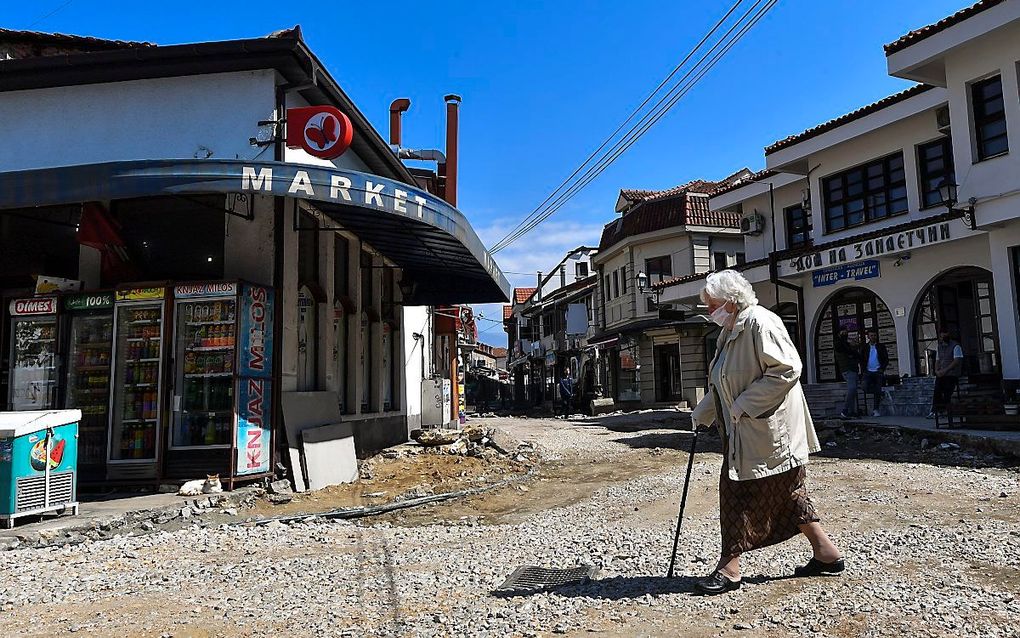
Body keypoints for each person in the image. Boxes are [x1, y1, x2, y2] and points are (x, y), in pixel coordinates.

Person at [690, 270, 843, 596]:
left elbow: (787, 369)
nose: (709, 311)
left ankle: (729, 568)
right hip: (748, 432)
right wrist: (702, 413)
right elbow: (723, 382)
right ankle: (826, 554)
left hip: (769, 433)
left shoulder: (760, 323)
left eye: (712, 304)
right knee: (789, 495)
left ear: (731, 302)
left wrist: (744, 404)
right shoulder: (730, 330)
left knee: (736, 494)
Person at [927, 330, 963, 419]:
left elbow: (956, 361)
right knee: (937, 390)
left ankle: (945, 410)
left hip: (952, 374)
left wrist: (946, 370)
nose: (943, 339)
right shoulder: (939, 347)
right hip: (942, 374)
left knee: (947, 390)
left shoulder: (956, 346)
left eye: (945, 337)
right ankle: (935, 410)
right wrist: (937, 371)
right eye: (942, 337)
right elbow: (938, 360)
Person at [860, 330, 889, 417]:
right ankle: (880, 392)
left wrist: (882, 369)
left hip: (878, 371)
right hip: (868, 371)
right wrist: (863, 369)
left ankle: (876, 409)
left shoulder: (881, 347)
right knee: (864, 386)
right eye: (871, 335)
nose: (873, 337)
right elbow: (861, 359)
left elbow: (886, 359)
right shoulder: (865, 347)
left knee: (877, 389)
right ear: (868, 337)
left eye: (874, 335)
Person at [834, 330, 861, 418]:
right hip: (847, 369)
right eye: (843, 333)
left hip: (853, 369)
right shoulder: (840, 344)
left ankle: (851, 411)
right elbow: (849, 352)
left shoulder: (847, 345)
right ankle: (845, 410)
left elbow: (855, 354)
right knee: (852, 389)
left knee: (853, 391)